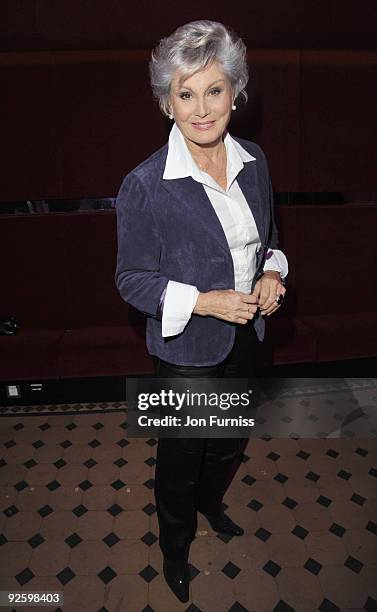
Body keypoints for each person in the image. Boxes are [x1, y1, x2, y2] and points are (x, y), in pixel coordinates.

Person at [115, 20, 288, 603]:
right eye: (185, 93)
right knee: (181, 456)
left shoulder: (255, 161)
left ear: (235, 93)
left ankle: (212, 504)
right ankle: (175, 546)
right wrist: (204, 301)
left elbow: (268, 238)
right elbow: (132, 280)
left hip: (244, 337)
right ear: (167, 103)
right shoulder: (145, 185)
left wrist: (270, 273)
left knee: (227, 440)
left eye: (214, 90)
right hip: (186, 349)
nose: (202, 108)